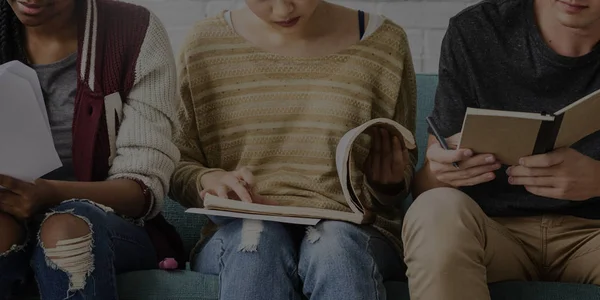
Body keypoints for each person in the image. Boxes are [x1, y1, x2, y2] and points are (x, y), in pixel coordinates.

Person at [169, 0, 418, 299]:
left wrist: (387, 182)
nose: (284, 10)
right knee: (258, 242)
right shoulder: (203, 45)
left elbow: (403, 169)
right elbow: (176, 161)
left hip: (352, 230)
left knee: (334, 247)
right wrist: (207, 179)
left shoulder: (385, 42)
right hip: (242, 231)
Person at [403, 0, 600, 298]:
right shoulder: (476, 31)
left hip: (593, 234)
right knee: (434, 211)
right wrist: (442, 171)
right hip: (492, 233)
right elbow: (426, 189)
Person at [0, 0, 182, 298]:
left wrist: (50, 193)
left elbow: (142, 191)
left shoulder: (134, 32)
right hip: (9, 218)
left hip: (108, 225)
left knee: (65, 232)